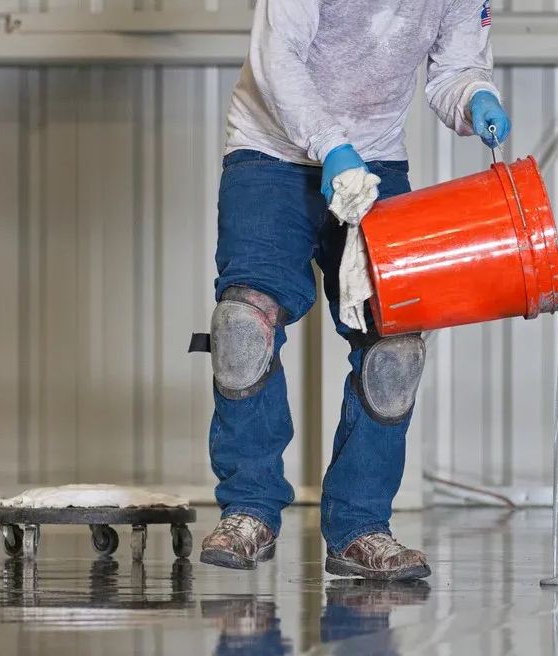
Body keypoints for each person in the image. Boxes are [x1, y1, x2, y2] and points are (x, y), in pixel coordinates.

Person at [197, 0, 510, 581]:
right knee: (244, 325)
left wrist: (474, 98)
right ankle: (249, 510)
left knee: (394, 348)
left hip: (377, 158)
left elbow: (453, 70)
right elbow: (277, 57)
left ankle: (361, 527)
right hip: (270, 152)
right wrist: (330, 144)